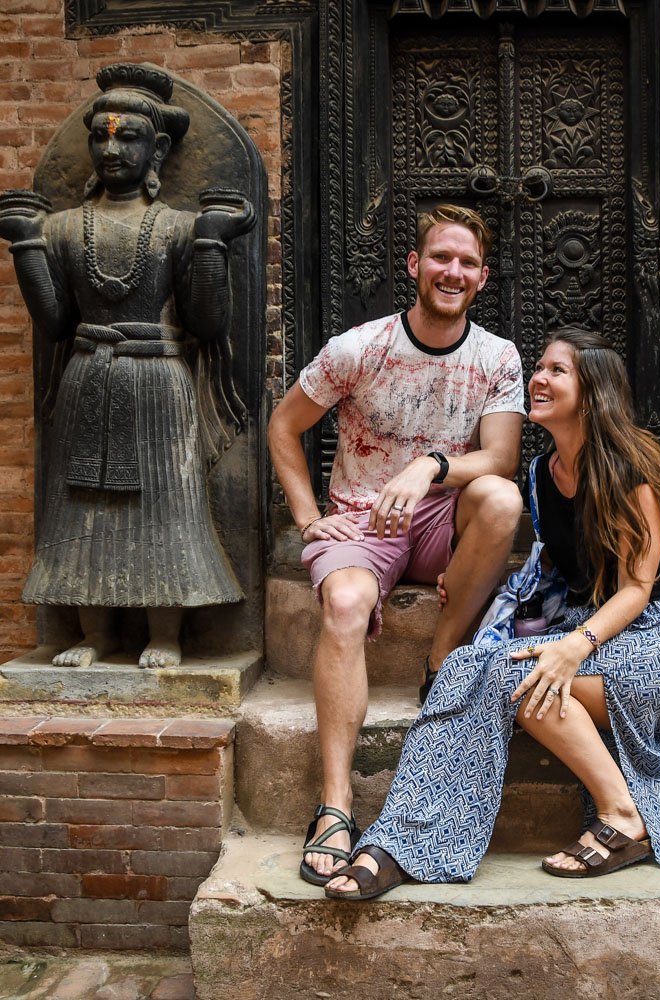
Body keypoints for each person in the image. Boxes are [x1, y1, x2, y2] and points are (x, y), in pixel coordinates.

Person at [323, 327, 660, 901]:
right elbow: (552, 571)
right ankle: (403, 844)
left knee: (518, 676)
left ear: (593, 390)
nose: (539, 378)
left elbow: (636, 588)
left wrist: (572, 645)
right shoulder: (539, 473)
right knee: (467, 669)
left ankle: (623, 814)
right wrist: (498, 605)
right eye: (540, 368)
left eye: (557, 370)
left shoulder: (633, 469)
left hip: (658, 640)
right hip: (592, 633)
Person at [267, 204, 525, 885]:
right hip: (360, 523)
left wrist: (431, 466)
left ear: (482, 278)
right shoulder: (360, 348)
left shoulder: (497, 357)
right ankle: (335, 805)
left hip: (442, 521)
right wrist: (306, 516)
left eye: (467, 263)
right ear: (414, 266)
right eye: (441, 257)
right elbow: (284, 426)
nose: (453, 271)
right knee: (345, 607)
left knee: (503, 500)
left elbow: (498, 457)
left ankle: (441, 657)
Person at [0, 64, 255, 669]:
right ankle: (95, 634)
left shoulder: (177, 227)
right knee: (85, 506)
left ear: (157, 147)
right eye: (101, 136)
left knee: (166, 504)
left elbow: (207, 323)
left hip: (158, 377)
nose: (112, 149)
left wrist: (212, 241)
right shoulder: (61, 229)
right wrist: (27, 245)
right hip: (88, 373)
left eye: (128, 137)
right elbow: (54, 322)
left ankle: (166, 632)